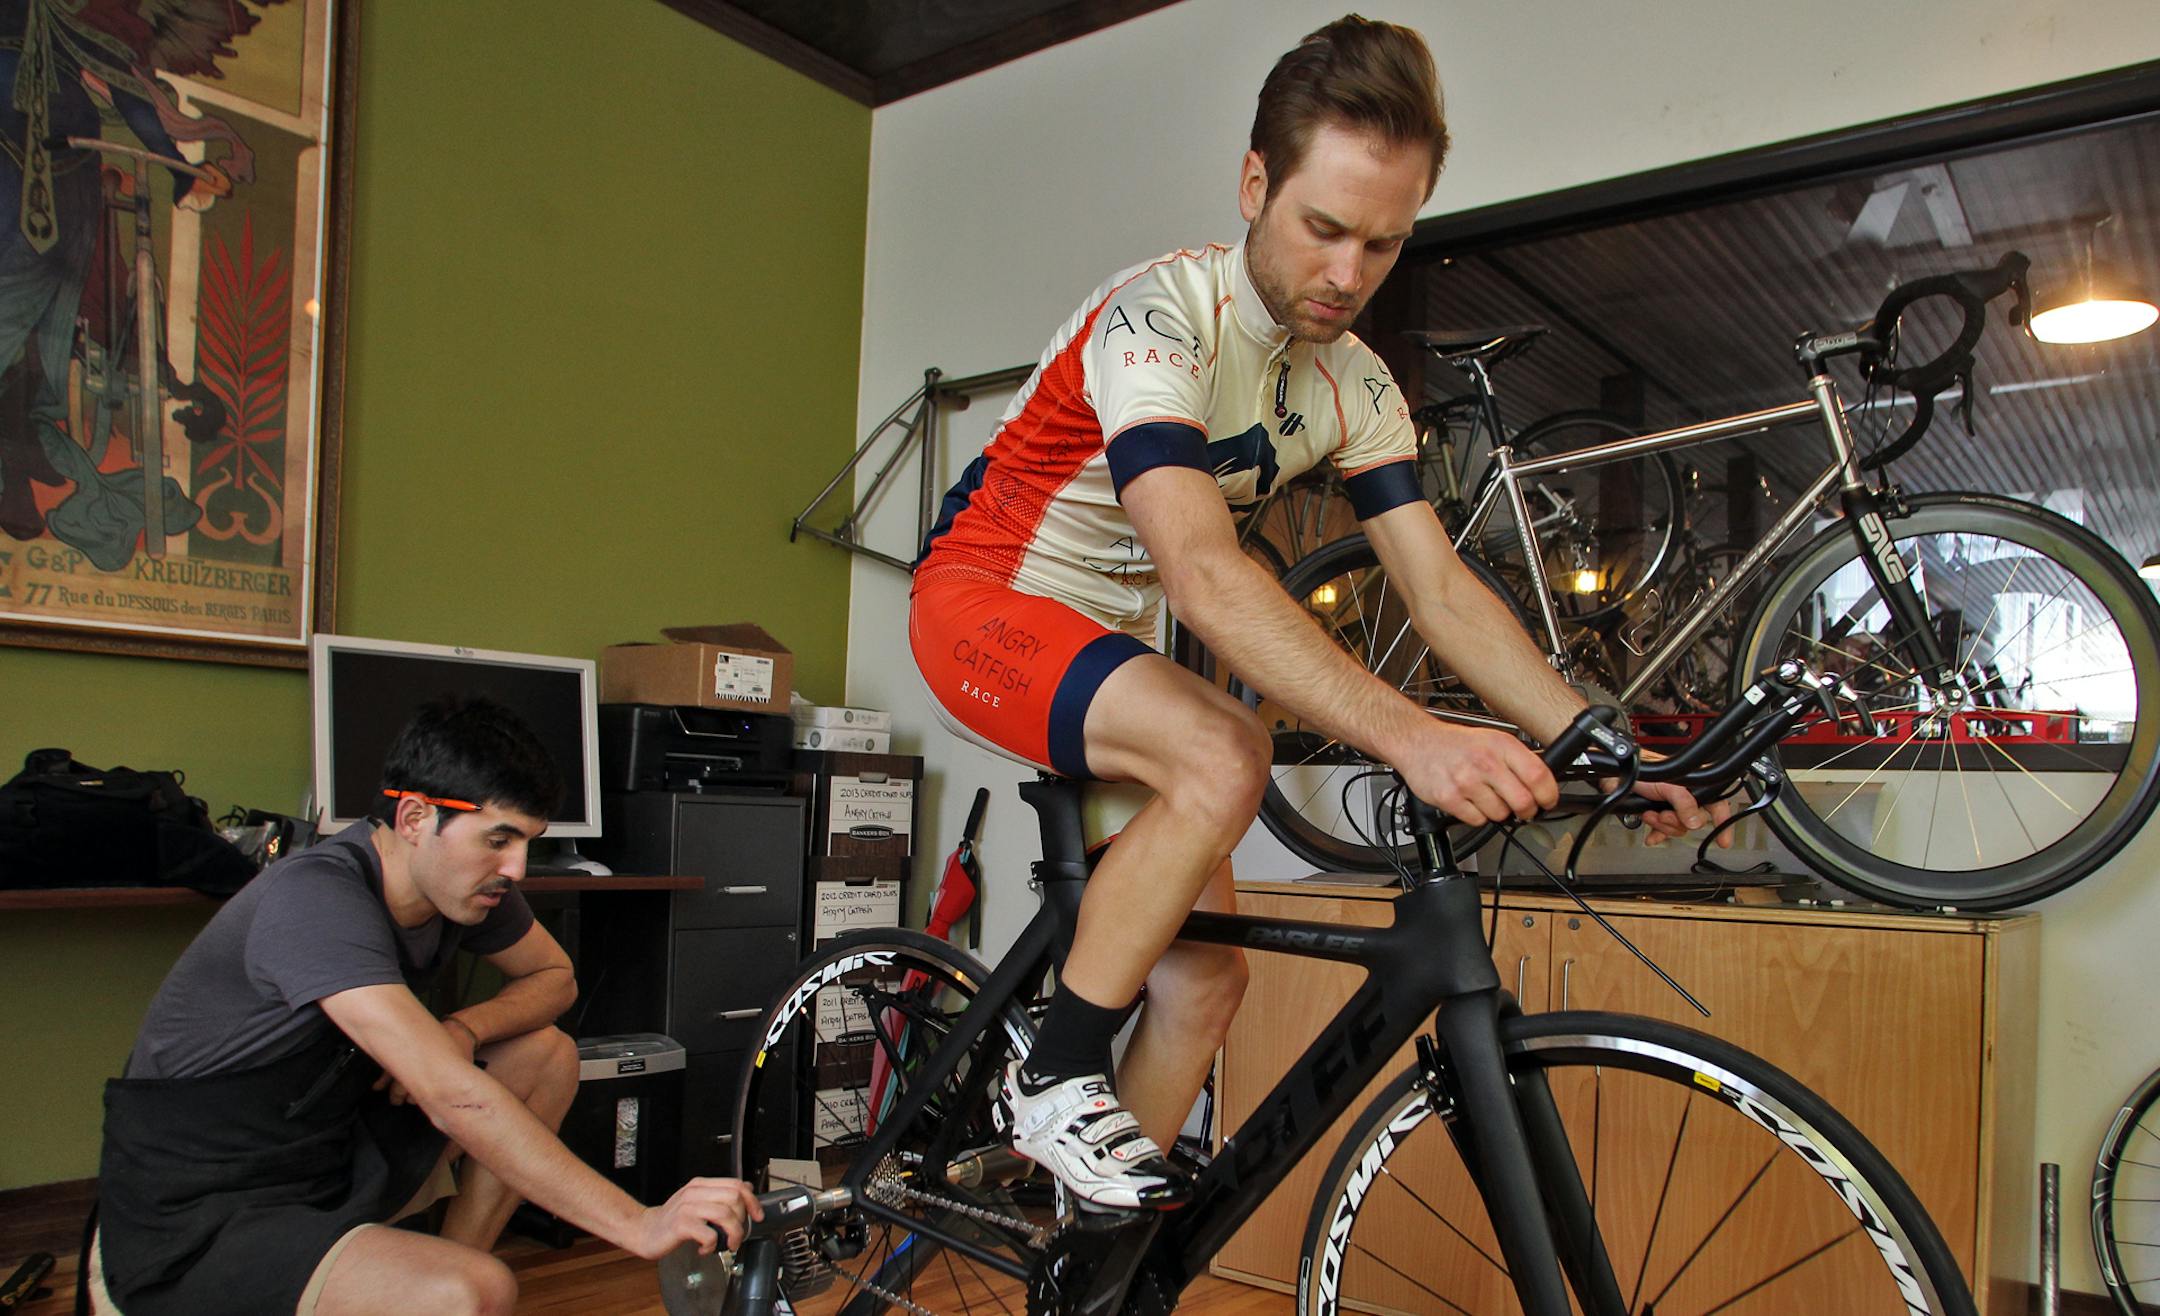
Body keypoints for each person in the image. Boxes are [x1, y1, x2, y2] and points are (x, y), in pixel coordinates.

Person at [909, 15, 1727, 1210]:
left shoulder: (1352, 384)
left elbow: (1440, 587)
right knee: (1225, 747)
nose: (1348, 275)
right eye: (1323, 228)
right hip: (985, 603)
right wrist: (1414, 735)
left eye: (1384, 245)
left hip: (1107, 652)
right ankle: (1057, 1075)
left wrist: (1591, 734)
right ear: (1256, 184)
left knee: (1205, 986)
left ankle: (1075, 1258)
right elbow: (1198, 569)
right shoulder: (1160, 319)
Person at [91, 697, 762, 1316]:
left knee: (545, 1053)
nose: (519, 868)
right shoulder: (315, 899)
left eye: (528, 840)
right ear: (415, 818)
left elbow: (555, 978)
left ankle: (442, 1270)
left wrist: (462, 1026)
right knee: (475, 1291)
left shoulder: (460, 883)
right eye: (498, 839)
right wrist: (639, 1222)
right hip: (199, 1200)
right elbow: (451, 1095)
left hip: (321, 1146)